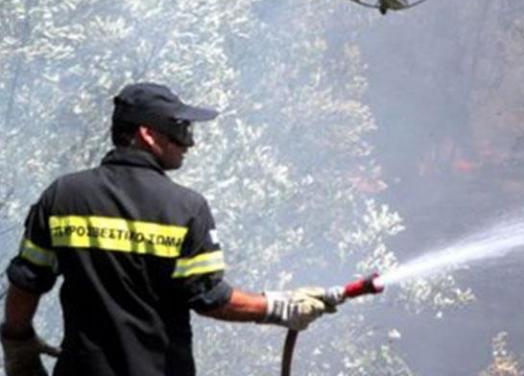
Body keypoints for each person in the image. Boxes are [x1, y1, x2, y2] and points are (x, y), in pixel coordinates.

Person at [1, 82, 330, 376]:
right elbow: (212, 300)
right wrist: (280, 307)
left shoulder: (62, 196)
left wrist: (17, 344)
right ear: (147, 133)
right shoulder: (186, 208)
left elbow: (28, 281)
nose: (188, 143)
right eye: (180, 129)